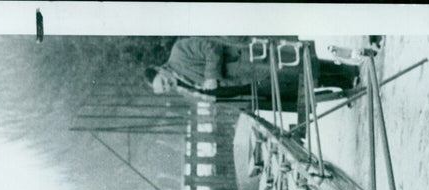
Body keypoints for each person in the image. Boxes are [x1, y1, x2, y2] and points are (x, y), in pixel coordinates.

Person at [146, 36, 359, 104]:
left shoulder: (179, 51)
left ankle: (349, 72)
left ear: (160, 69)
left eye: (163, 82)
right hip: (245, 84)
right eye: (164, 90)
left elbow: (212, 48)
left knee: (296, 68)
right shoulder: (182, 88)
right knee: (294, 83)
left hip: (246, 62)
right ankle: (344, 83)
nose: (168, 86)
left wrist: (211, 77)